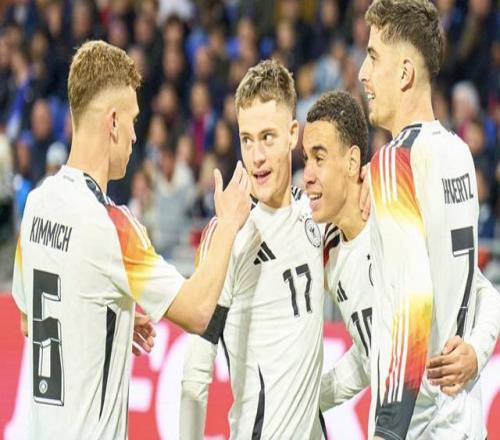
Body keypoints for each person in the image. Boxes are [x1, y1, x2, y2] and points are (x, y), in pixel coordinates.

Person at [11, 40, 251, 440]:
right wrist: (228, 224)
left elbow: (27, 320)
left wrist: (113, 321)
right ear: (113, 122)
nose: (136, 136)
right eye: (134, 120)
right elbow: (197, 311)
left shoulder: (37, 203)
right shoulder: (111, 225)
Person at [302, 90, 500, 437]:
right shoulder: (330, 256)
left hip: (448, 424)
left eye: (319, 158)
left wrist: (476, 352)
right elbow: (371, 354)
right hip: (397, 428)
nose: (306, 174)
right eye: (305, 159)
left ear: (352, 162)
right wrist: (310, 397)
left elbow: (481, 288)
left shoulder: (397, 208)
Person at [357, 1, 495, 438]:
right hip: (465, 423)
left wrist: (388, 430)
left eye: (373, 56)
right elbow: (479, 286)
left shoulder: (393, 162)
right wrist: (477, 350)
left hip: (416, 428)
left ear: (404, 73)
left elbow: (412, 299)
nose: (362, 73)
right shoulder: (458, 153)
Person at [180, 59, 326, 439]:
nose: (256, 155)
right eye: (247, 139)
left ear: (292, 134)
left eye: (268, 137)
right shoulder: (230, 235)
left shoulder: (316, 215)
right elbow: (195, 375)